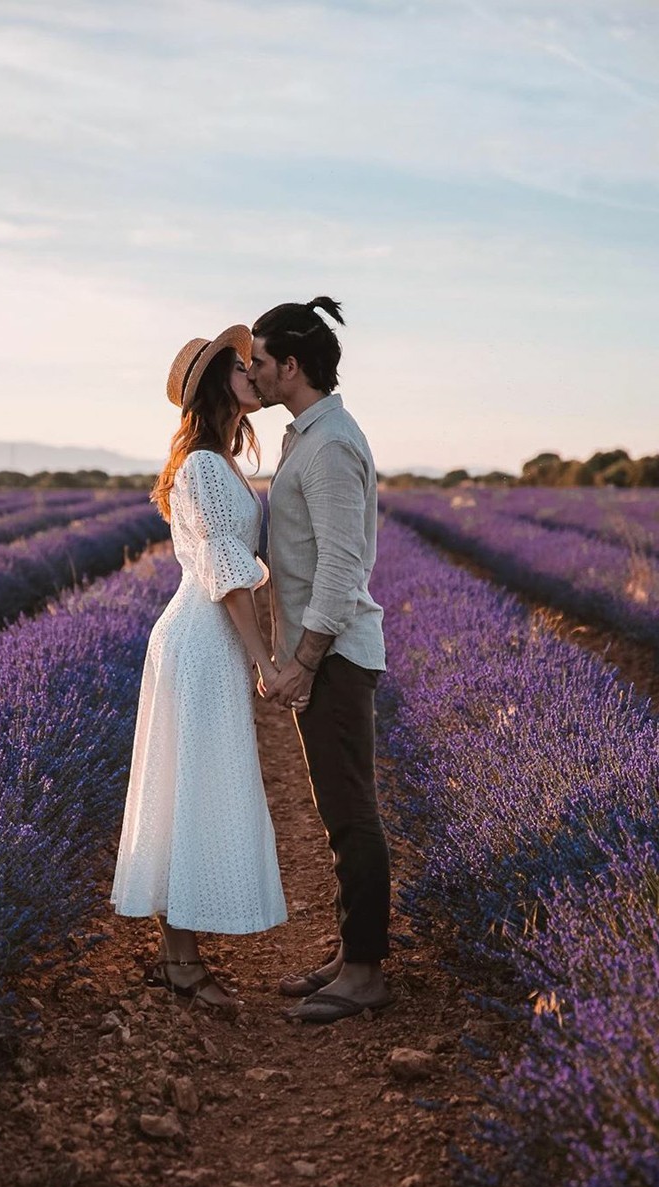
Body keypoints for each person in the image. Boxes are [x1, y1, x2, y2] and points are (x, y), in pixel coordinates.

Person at [110, 325, 287, 1011]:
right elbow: (226, 577)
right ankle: (180, 961)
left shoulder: (219, 460)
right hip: (203, 636)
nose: (252, 373)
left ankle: (178, 953)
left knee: (191, 782)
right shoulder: (207, 467)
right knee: (193, 784)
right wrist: (264, 660)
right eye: (241, 367)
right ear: (217, 384)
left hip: (202, 636)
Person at [247, 296, 391, 1024]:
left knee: (352, 813)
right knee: (336, 809)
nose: (254, 373)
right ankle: (349, 950)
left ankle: (366, 971)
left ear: (292, 366)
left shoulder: (330, 443)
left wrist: (303, 657)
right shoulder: (310, 435)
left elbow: (341, 565)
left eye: (262, 362)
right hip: (325, 651)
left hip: (336, 653)